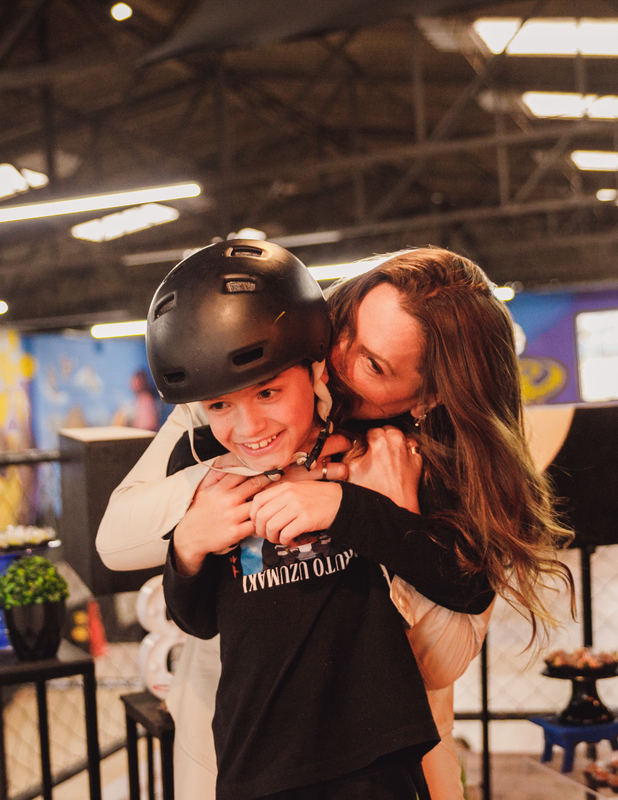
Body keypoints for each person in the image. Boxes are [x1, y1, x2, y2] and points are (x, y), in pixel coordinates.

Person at [98, 243, 571, 800]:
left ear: (429, 396)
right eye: (344, 329)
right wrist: (247, 472)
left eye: (373, 364)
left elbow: (440, 662)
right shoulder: (249, 364)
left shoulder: (434, 466)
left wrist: (389, 514)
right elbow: (119, 543)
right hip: (243, 751)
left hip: (382, 757)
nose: (337, 360)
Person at [153, 240, 475, 798]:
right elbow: (198, 619)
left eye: (270, 391)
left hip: (373, 760)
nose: (248, 425)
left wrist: (346, 508)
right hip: (255, 762)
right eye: (221, 406)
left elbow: (466, 583)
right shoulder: (203, 467)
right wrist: (187, 545)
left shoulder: (377, 452)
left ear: (317, 370)